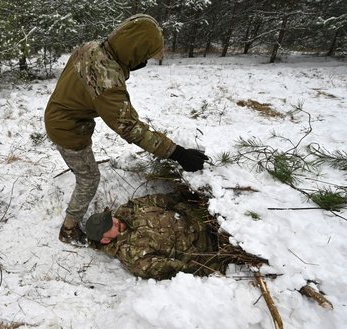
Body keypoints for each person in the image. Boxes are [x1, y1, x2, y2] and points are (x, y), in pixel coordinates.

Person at [44, 14, 208, 245]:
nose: (145, 62)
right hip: (67, 129)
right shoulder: (108, 81)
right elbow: (130, 127)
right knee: (89, 178)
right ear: (134, 51)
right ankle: (69, 229)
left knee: (85, 171)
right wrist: (178, 153)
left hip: (61, 115)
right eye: (145, 57)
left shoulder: (92, 47)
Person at [84, 190, 265, 280]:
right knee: (260, 250)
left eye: (110, 218)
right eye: (109, 225)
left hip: (208, 215)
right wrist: (208, 267)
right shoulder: (132, 255)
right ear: (105, 239)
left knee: (256, 218)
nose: (114, 221)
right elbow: (173, 268)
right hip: (213, 248)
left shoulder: (128, 210)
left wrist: (185, 201)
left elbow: (160, 199)